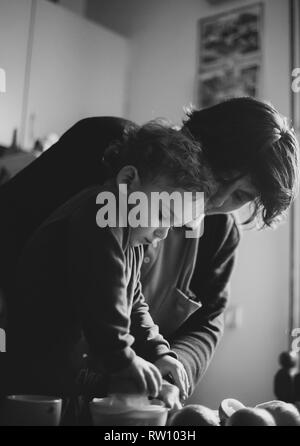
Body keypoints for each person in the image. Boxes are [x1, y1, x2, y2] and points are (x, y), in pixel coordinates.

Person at [0, 97, 299, 409]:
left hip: (104, 391)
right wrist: (122, 357)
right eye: (222, 174)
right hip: (31, 371)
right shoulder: (106, 163)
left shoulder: (219, 234)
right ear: (196, 140)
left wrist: (164, 363)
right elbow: (9, 219)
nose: (218, 199)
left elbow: (198, 318)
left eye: (241, 195)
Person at [2, 121, 208, 403]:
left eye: (173, 225)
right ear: (127, 181)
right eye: (162, 214)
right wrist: (122, 358)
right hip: (31, 365)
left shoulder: (132, 240)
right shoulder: (101, 210)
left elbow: (134, 304)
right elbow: (104, 293)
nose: (163, 233)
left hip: (66, 371)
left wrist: (160, 352)